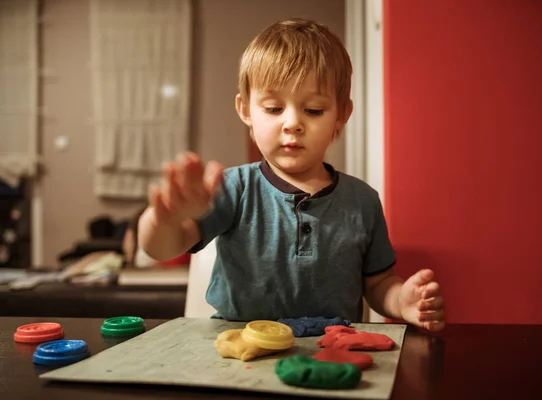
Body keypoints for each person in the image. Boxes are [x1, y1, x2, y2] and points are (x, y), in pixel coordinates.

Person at [138, 18, 445, 331]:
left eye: (313, 110)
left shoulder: (363, 201)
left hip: (332, 354)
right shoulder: (234, 188)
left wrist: (402, 301)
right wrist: (165, 220)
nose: (292, 123)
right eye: (273, 108)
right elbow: (161, 247)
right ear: (246, 110)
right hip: (241, 352)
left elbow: (378, 285)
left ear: (342, 114)